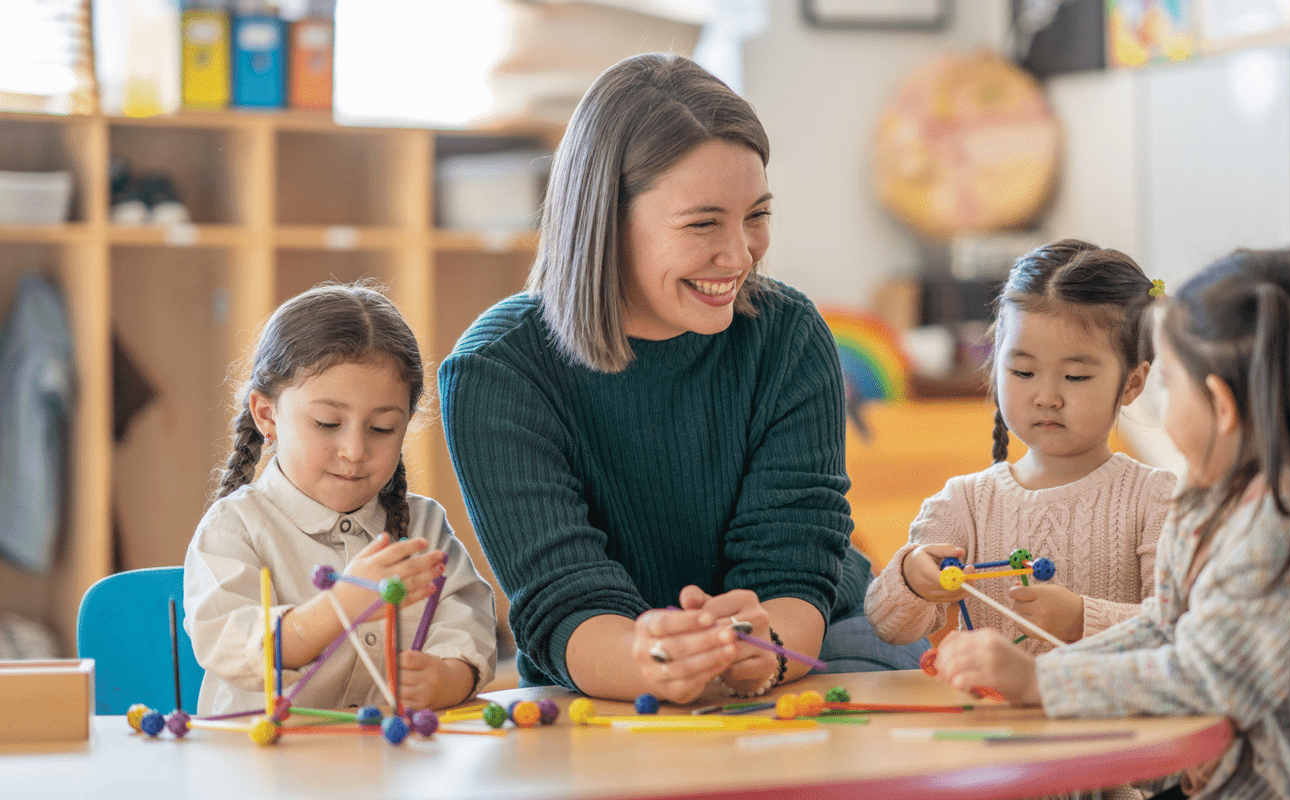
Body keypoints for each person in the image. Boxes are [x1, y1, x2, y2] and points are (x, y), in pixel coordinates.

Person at [439, 52, 922, 705]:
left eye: (756, 215)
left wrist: (763, 652)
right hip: (609, 681)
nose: (741, 253)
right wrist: (658, 664)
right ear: (606, 221)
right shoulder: (496, 372)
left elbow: (795, 573)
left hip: (824, 646)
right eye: (703, 224)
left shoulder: (788, 334)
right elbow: (563, 605)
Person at [928, 248, 1290, 799]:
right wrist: (1038, 675)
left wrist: (1039, 682)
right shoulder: (1210, 500)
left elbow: (1208, 680)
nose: (1159, 405)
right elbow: (1165, 627)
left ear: (1220, 405)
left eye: (1169, 384)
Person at [184, 283, 497, 716]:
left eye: (382, 428)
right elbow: (233, 643)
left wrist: (446, 679)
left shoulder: (423, 528)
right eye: (328, 423)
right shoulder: (233, 528)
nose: (354, 450)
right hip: (261, 769)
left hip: (386, 767)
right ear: (267, 415)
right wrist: (342, 604)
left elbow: (469, 626)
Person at [865, 240, 1176, 652]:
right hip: (992, 714)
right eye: (1023, 371)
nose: (1046, 396)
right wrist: (910, 576)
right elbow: (891, 628)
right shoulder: (963, 503)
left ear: (1132, 383)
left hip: (1109, 715)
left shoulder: (1156, 499)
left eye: (1076, 377)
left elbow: (1180, 628)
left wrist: (1081, 619)